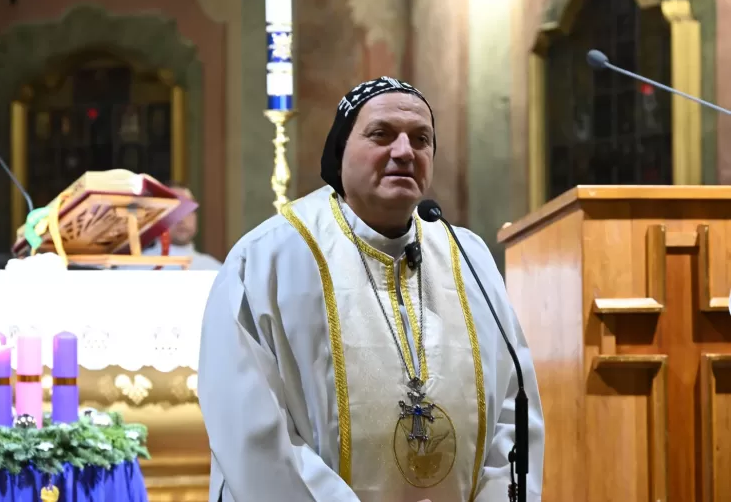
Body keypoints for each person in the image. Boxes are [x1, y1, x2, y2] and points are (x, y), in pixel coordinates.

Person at [198, 76, 544, 502]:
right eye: (381, 134)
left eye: (421, 139)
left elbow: (513, 410)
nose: (404, 151)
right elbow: (252, 433)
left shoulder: (467, 257)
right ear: (340, 150)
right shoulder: (268, 258)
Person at [134, 182, 223, 271]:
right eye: (173, 210)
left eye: (187, 209)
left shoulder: (216, 270)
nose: (181, 219)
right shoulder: (135, 269)